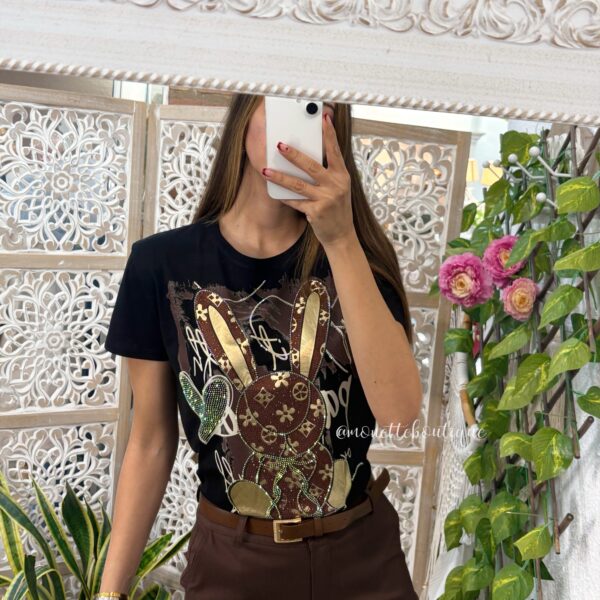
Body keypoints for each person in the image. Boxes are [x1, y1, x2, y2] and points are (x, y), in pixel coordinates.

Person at [98, 94, 422, 600]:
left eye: (316, 106)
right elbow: (150, 442)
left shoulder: (360, 261)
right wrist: (109, 593)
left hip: (362, 559)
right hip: (233, 563)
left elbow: (399, 415)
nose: (302, 119)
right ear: (245, 109)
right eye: (284, 98)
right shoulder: (160, 265)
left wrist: (340, 240)